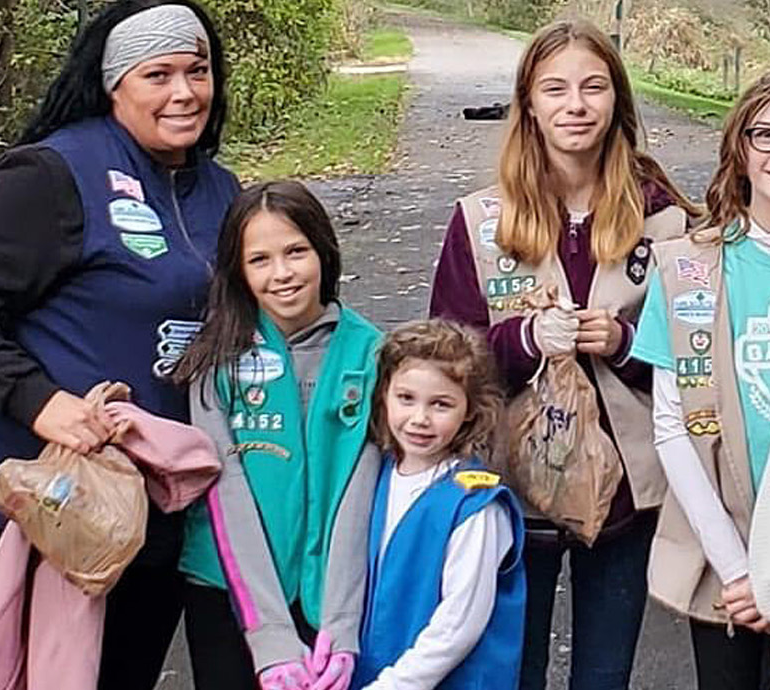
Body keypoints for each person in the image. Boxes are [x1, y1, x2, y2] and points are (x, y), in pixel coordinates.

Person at [0, 2, 237, 686]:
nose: (184, 92)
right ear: (114, 85)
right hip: (31, 498)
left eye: (198, 71)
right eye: (158, 75)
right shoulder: (58, 173)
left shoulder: (220, 190)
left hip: (153, 506)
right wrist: (39, 402)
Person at [427, 19, 697, 690]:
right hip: (512, 493)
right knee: (512, 671)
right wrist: (523, 340)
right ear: (529, 104)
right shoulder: (481, 221)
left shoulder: (664, 218)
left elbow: (698, 358)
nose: (575, 105)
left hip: (628, 498)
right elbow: (443, 360)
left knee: (604, 675)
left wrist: (625, 345)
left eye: (592, 87)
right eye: (555, 89)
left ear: (617, 100)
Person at [630, 68, 770, 690]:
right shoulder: (689, 266)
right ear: (740, 149)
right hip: (723, 547)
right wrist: (738, 568)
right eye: (766, 135)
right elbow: (673, 427)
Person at [169, 180, 382, 689]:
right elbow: (225, 495)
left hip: (331, 601)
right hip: (228, 595)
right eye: (260, 260)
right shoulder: (216, 357)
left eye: (296, 252)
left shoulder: (371, 354)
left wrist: (341, 625)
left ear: (323, 252)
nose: (282, 273)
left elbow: (359, 495)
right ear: (238, 270)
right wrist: (269, 634)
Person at [353, 320, 528, 689]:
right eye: (406, 398)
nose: (420, 419)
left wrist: (394, 685)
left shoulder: (476, 505)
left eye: (441, 404)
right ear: (384, 395)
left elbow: (459, 622)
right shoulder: (375, 475)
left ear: (470, 409)